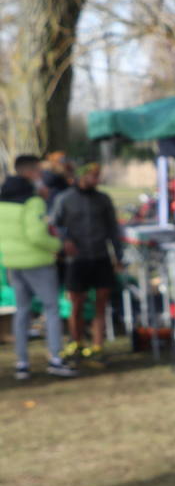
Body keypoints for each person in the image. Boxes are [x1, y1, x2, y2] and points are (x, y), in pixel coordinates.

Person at [0, 155, 78, 380]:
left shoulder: (3, 198)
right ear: (31, 172)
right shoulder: (32, 201)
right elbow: (36, 235)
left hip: (13, 261)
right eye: (39, 171)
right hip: (37, 261)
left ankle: (22, 363)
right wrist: (58, 246)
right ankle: (56, 358)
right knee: (51, 309)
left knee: (22, 311)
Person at [50, 161, 123, 364]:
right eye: (92, 175)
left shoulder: (103, 199)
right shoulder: (65, 199)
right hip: (76, 260)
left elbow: (113, 229)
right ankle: (77, 342)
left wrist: (118, 256)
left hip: (100, 257)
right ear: (81, 176)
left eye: (98, 175)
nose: (96, 179)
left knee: (101, 303)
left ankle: (98, 345)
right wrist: (65, 241)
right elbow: (54, 225)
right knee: (77, 303)